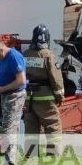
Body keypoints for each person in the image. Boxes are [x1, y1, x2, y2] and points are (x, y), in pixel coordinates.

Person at [22, 24, 65, 155]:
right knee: (52, 124)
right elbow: (56, 78)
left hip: (29, 97)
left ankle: (31, 153)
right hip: (45, 97)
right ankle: (53, 153)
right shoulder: (48, 55)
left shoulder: (25, 55)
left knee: (31, 127)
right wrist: (60, 96)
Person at [0, 36, 28, 165]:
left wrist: (1, 89)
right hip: (5, 95)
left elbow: (21, 80)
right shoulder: (3, 58)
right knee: (10, 125)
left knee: (8, 127)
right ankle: (12, 155)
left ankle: (10, 159)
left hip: (14, 96)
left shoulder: (14, 57)